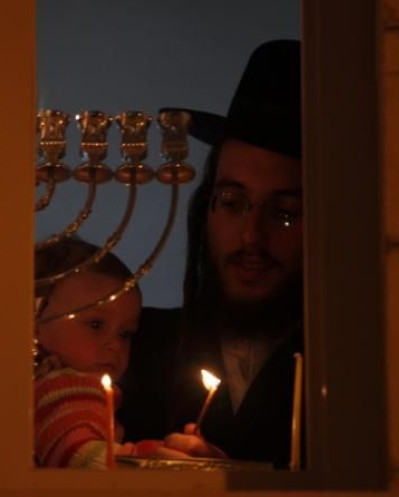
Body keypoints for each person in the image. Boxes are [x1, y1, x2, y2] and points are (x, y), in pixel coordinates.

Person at [118, 39, 304, 469]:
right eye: (233, 202)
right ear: (206, 209)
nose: (251, 238)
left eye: (286, 213)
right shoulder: (128, 346)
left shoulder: (354, 373)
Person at [0, 238, 172, 483]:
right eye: (96, 325)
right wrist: (155, 459)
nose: (115, 345)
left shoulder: (12, 392)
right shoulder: (70, 387)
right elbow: (81, 460)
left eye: (125, 334)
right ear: (33, 323)